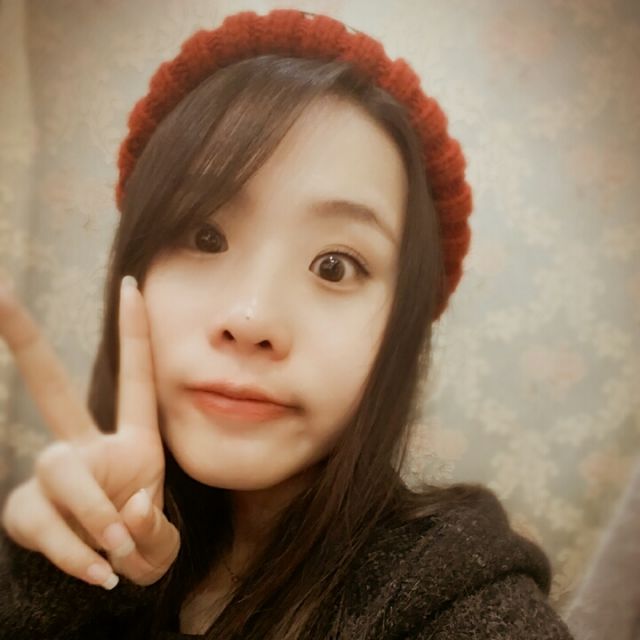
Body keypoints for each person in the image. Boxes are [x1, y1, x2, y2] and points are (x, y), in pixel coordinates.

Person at [0, 8, 574, 640]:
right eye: (205, 235)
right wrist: (69, 573)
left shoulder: (457, 596)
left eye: (335, 266)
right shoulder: (51, 547)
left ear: (402, 330)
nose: (252, 318)